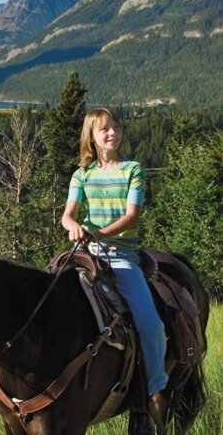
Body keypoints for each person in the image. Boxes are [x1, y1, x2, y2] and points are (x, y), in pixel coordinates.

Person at [60, 108, 167, 428]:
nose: (112, 133)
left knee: (150, 324)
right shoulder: (81, 175)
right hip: (85, 252)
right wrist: (72, 227)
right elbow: (68, 214)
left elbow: (132, 216)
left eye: (116, 127)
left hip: (121, 256)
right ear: (91, 137)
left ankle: (155, 386)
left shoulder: (133, 169)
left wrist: (99, 233)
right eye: (104, 129)